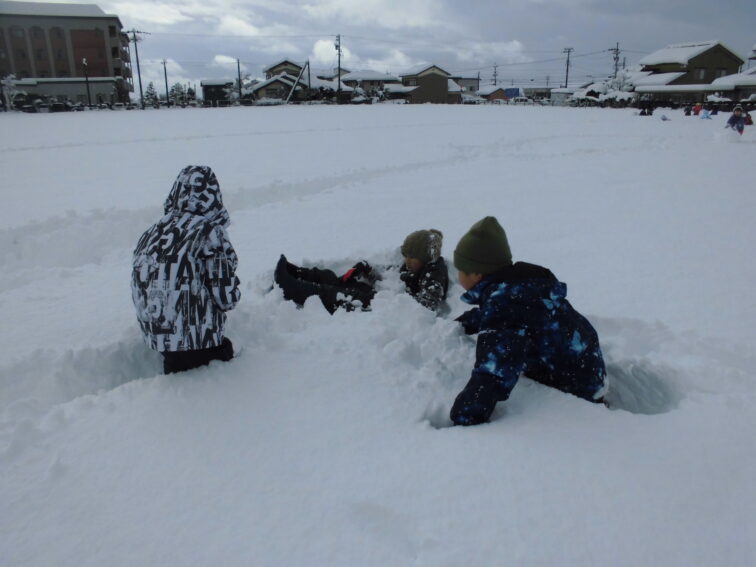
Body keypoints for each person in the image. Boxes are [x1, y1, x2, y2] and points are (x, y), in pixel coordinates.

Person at [449, 217, 607, 426]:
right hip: (587, 369)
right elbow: (505, 317)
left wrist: (466, 415)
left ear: (477, 274)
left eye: (460, 269)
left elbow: (495, 370)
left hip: (574, 388)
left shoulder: (506, 304)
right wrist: (467, 322)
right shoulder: (519, 288)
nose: (457, 275)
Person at [131, 165, 241, 374]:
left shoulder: (153, 231)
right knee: (224, 354)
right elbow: (226, 298)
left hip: (156, 334)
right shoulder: (210, 231)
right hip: (199, 338)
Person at [274, 229, 449, 314]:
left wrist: (394, 301)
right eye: (406, 256)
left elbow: (427, 305)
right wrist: (368, 270)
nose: (407, 261)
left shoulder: (434, 273)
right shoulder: (413, 266)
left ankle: (292, 288)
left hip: (387, 308)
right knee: (334, 279)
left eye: (412, 257)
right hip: (381, 296)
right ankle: (296, 273)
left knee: (337, 294)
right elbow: (393, 277)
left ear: (424, 258)